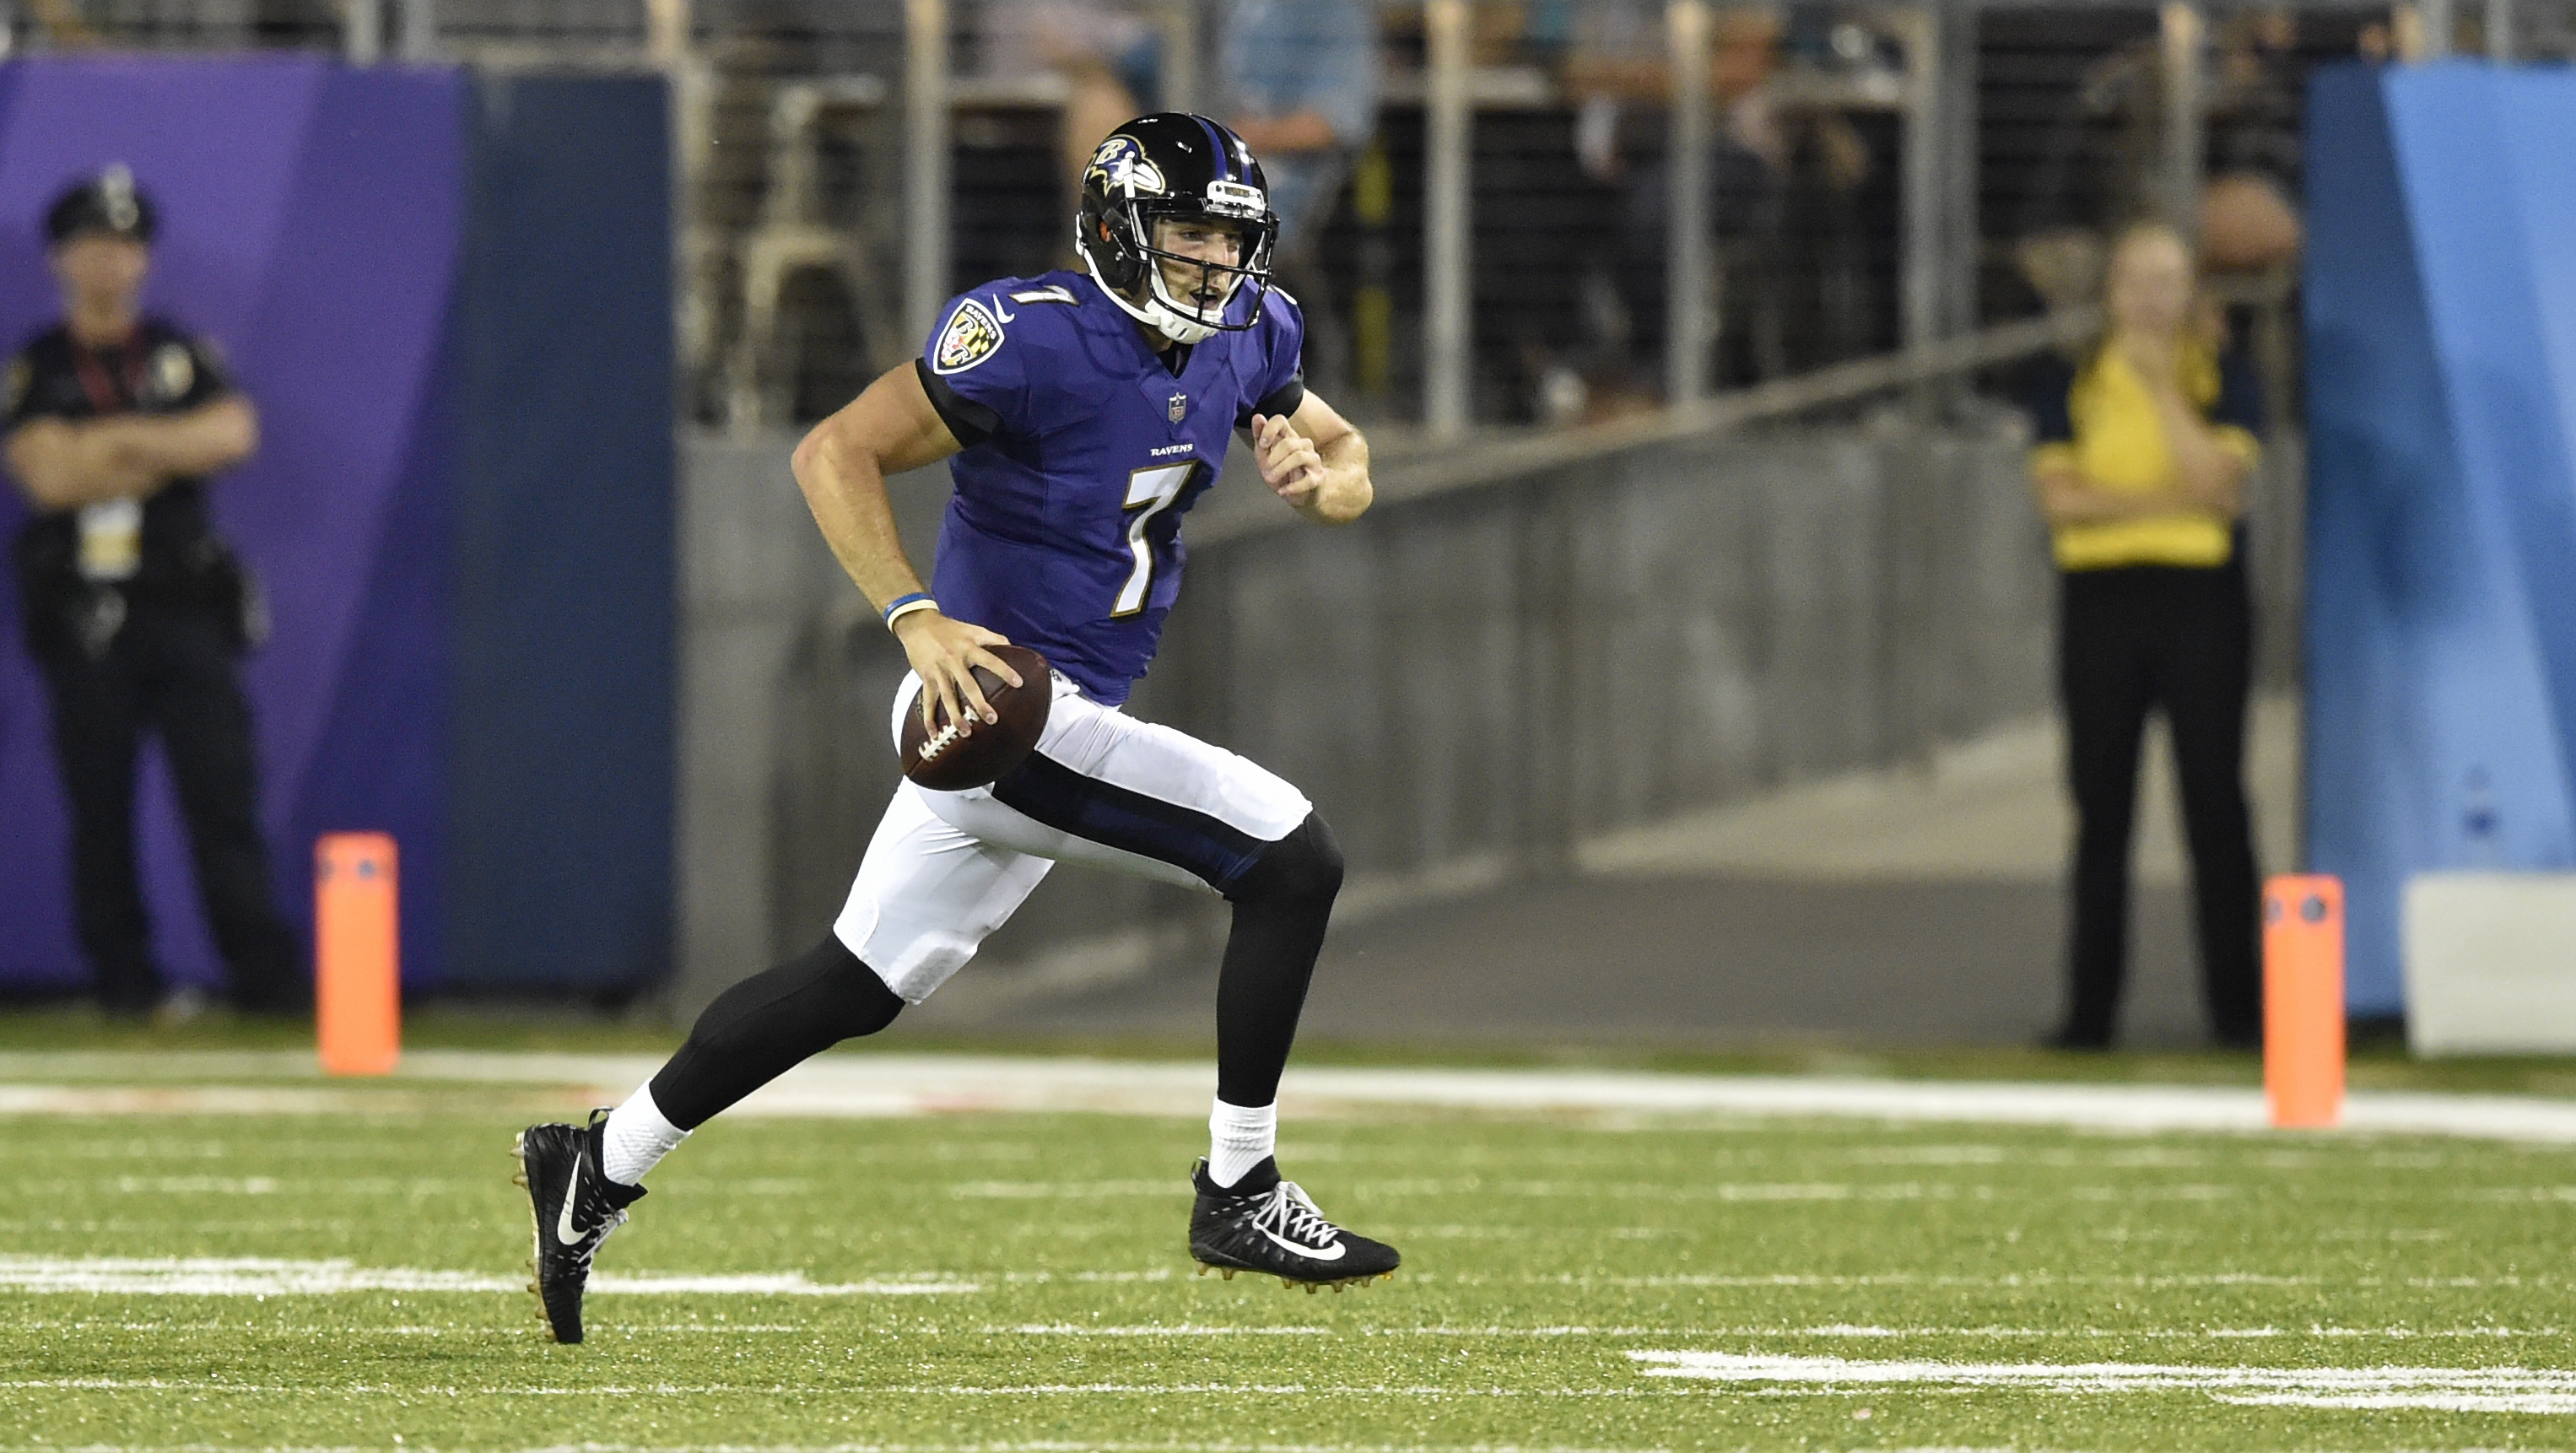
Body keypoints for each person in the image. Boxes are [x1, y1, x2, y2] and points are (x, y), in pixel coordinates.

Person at [514, 114, 1398, 1344]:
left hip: (1065, 707)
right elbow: (836, 451)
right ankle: (1239, 1184)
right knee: (1291, 858)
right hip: (993, 700)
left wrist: (1325, 486)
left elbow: (1347, 455)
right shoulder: (1030, 338)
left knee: (854, 982)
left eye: (1232, 238)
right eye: (1190, 233)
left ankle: (598, 1159)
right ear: (1118, 226)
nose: (1214, 262)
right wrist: (914, 615)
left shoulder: (1256, 329)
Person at [3, 165, 300, 1022]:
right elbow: (46, 477)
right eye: (94, 244)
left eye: (125, 246)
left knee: (221, 792)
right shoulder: (39, 362)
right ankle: (124, 984)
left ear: (143, 261)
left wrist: (109, 438)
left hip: (182, 604)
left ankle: (263, 980)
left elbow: (233, 433)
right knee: (100, 803)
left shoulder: (175, 349)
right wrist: (162, 444)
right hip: (86, 613)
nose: (110, 262)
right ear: (63, 257)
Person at [2025, 222, 2263, 1051]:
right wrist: (2174, 504)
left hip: (2201, 605)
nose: (2150, 300)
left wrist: (2164, 395)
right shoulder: (2067, 382)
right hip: (2100, 606)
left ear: (2190, 293)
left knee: (2215, 806)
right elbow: (2062, 502)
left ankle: (2237, 1012)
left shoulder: (2221, 377)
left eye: (2168, 282)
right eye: (2135, 281)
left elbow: (2218, 479)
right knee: (2099, 811)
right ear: (2111, 292)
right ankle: (2089, 1015)